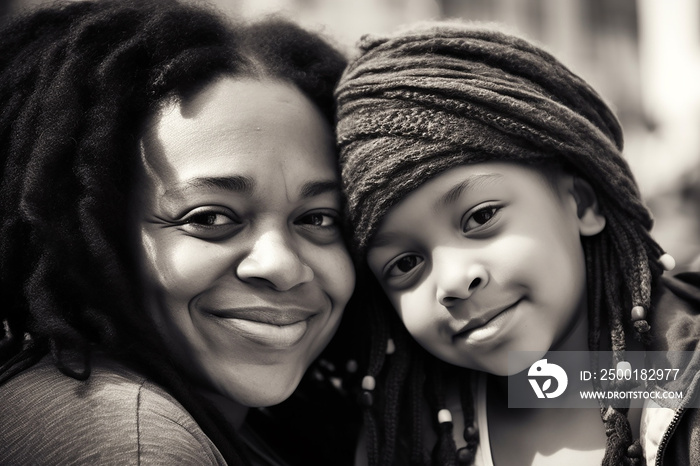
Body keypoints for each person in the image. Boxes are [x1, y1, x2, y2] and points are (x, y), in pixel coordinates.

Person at [0, 1, 358, 464]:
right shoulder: (131, 444)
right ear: (88, 238)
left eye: (318, 218)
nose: (283, 267)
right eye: (208, 218)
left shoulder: (263, 426)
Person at [336, 22, 700, 466]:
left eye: (481, 217)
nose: (453, 281)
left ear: (582, 204)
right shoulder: (411, 438)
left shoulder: (683, 371)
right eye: (405, 262)